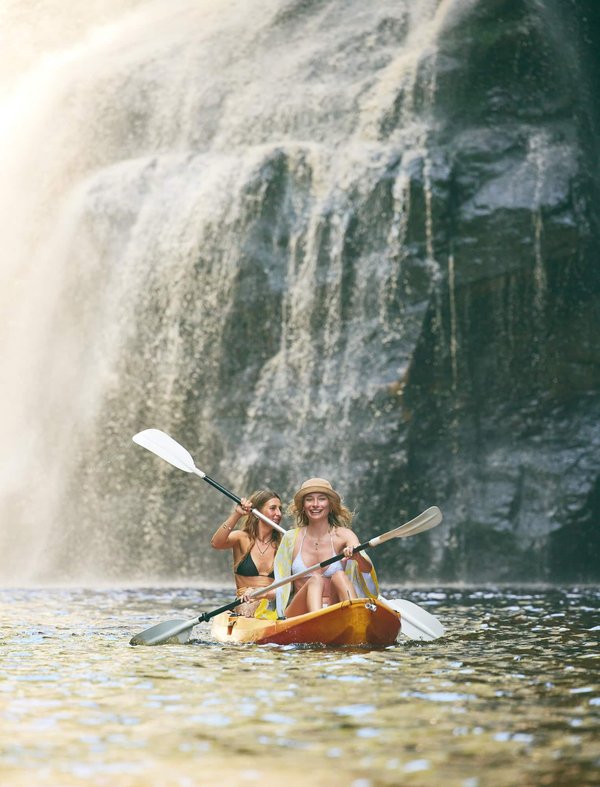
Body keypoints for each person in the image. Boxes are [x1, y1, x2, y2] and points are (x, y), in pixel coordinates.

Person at [273, 478, 379, 618]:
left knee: (339, 575)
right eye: (309, 499)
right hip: (299, 615)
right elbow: (280, 583)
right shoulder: (290, 538)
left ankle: (356, 618)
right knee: (315, 580)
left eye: (322, 499)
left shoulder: (344, 535)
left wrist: (357, 557)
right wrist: (255, 593)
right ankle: (318, 620)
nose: (315, 504)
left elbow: (366, 569)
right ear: (303, 506)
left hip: (334, 609)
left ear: (331, 505)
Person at [210, 489, 283, 615]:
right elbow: (216, 543)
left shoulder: (284, 544)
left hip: (273, 600)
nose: (279, 513)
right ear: (257, 512)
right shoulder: (241, 538)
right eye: (273, 508)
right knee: (249, 605)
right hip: (246, 601)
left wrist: (264, 593)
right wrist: (237, 514)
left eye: (280, 509)